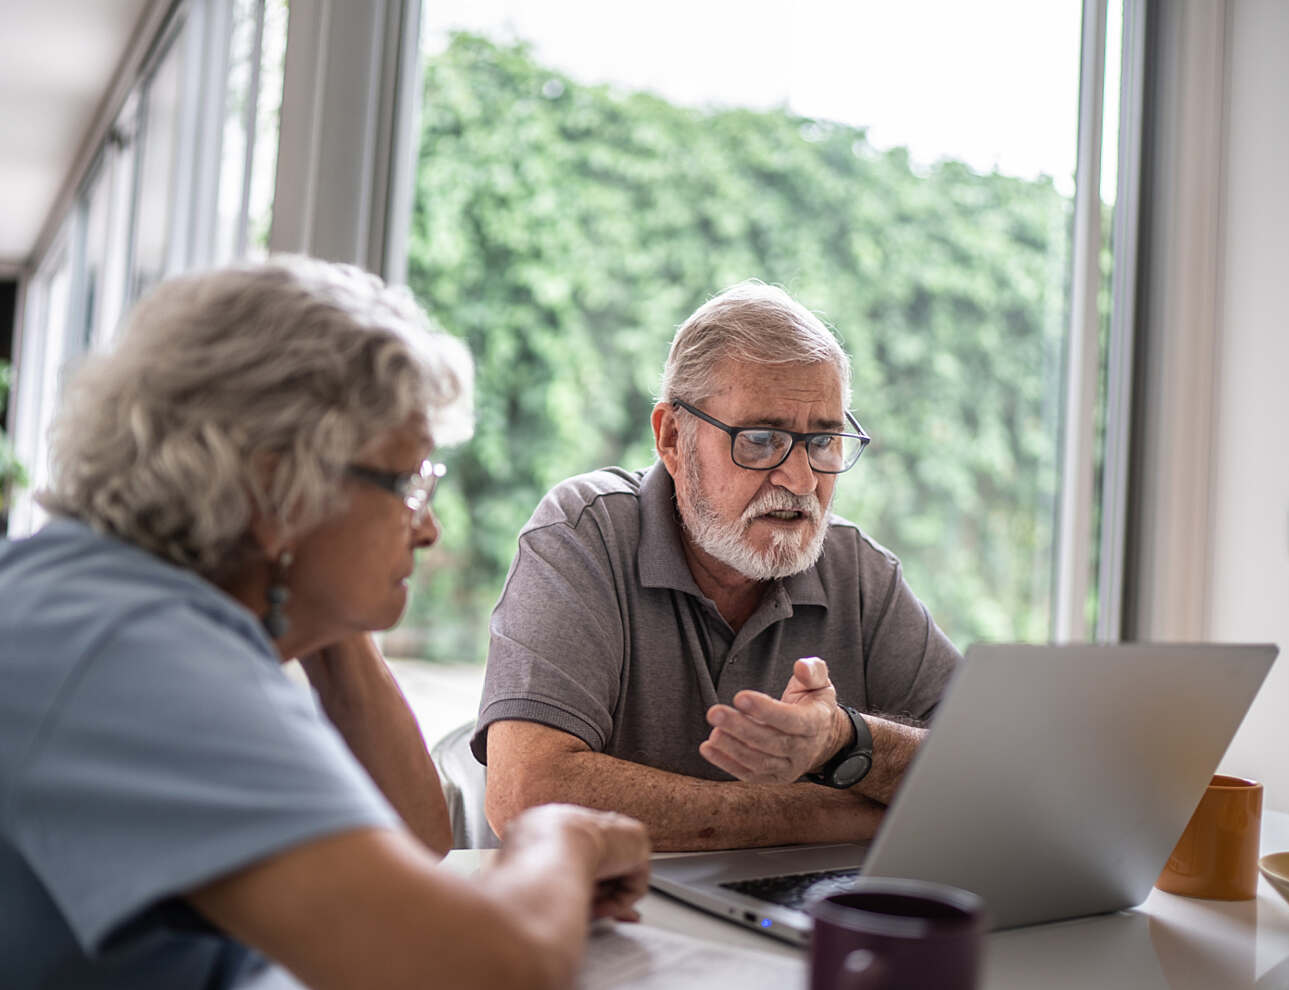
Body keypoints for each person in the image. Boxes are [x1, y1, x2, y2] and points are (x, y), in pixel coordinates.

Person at [0, 256, 649, 990]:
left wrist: (323, 612)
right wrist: (561, 835)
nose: (429, 529)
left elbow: (417, 840)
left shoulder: (121, 599)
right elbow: (483, 969)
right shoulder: (133, 653)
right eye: (408, 483)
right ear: (277, 486)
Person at [477, 280, 961, 851]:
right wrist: (857, 814)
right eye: (760, 439)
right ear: (672, 438)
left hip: (785, 923)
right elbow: (527, 796)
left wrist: (846, 739)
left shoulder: (858, 570)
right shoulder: (584, 533)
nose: (802, 481)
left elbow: (994, 770)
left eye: (824, 441)